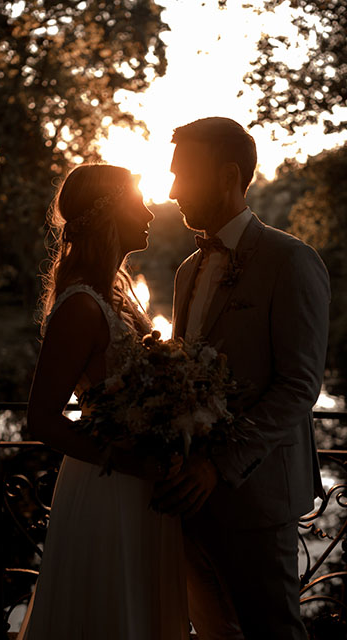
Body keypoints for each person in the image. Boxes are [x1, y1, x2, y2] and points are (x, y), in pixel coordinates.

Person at [152, 117, 330, 639]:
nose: (172, 191)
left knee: (272, 629)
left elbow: (299, 385)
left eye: (184, 175)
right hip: (189, 498)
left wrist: (220, 465)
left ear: (228, 175)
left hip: (257, 495)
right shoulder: (187, 270)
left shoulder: (291, 261)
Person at [17, 164, 189, 640]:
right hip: (107, 484)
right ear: (111, 211)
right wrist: (126, 459)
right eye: (139, 202)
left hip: (142, 484)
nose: (151, 210)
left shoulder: (116, 296)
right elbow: (42, 418)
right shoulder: (80, 307)